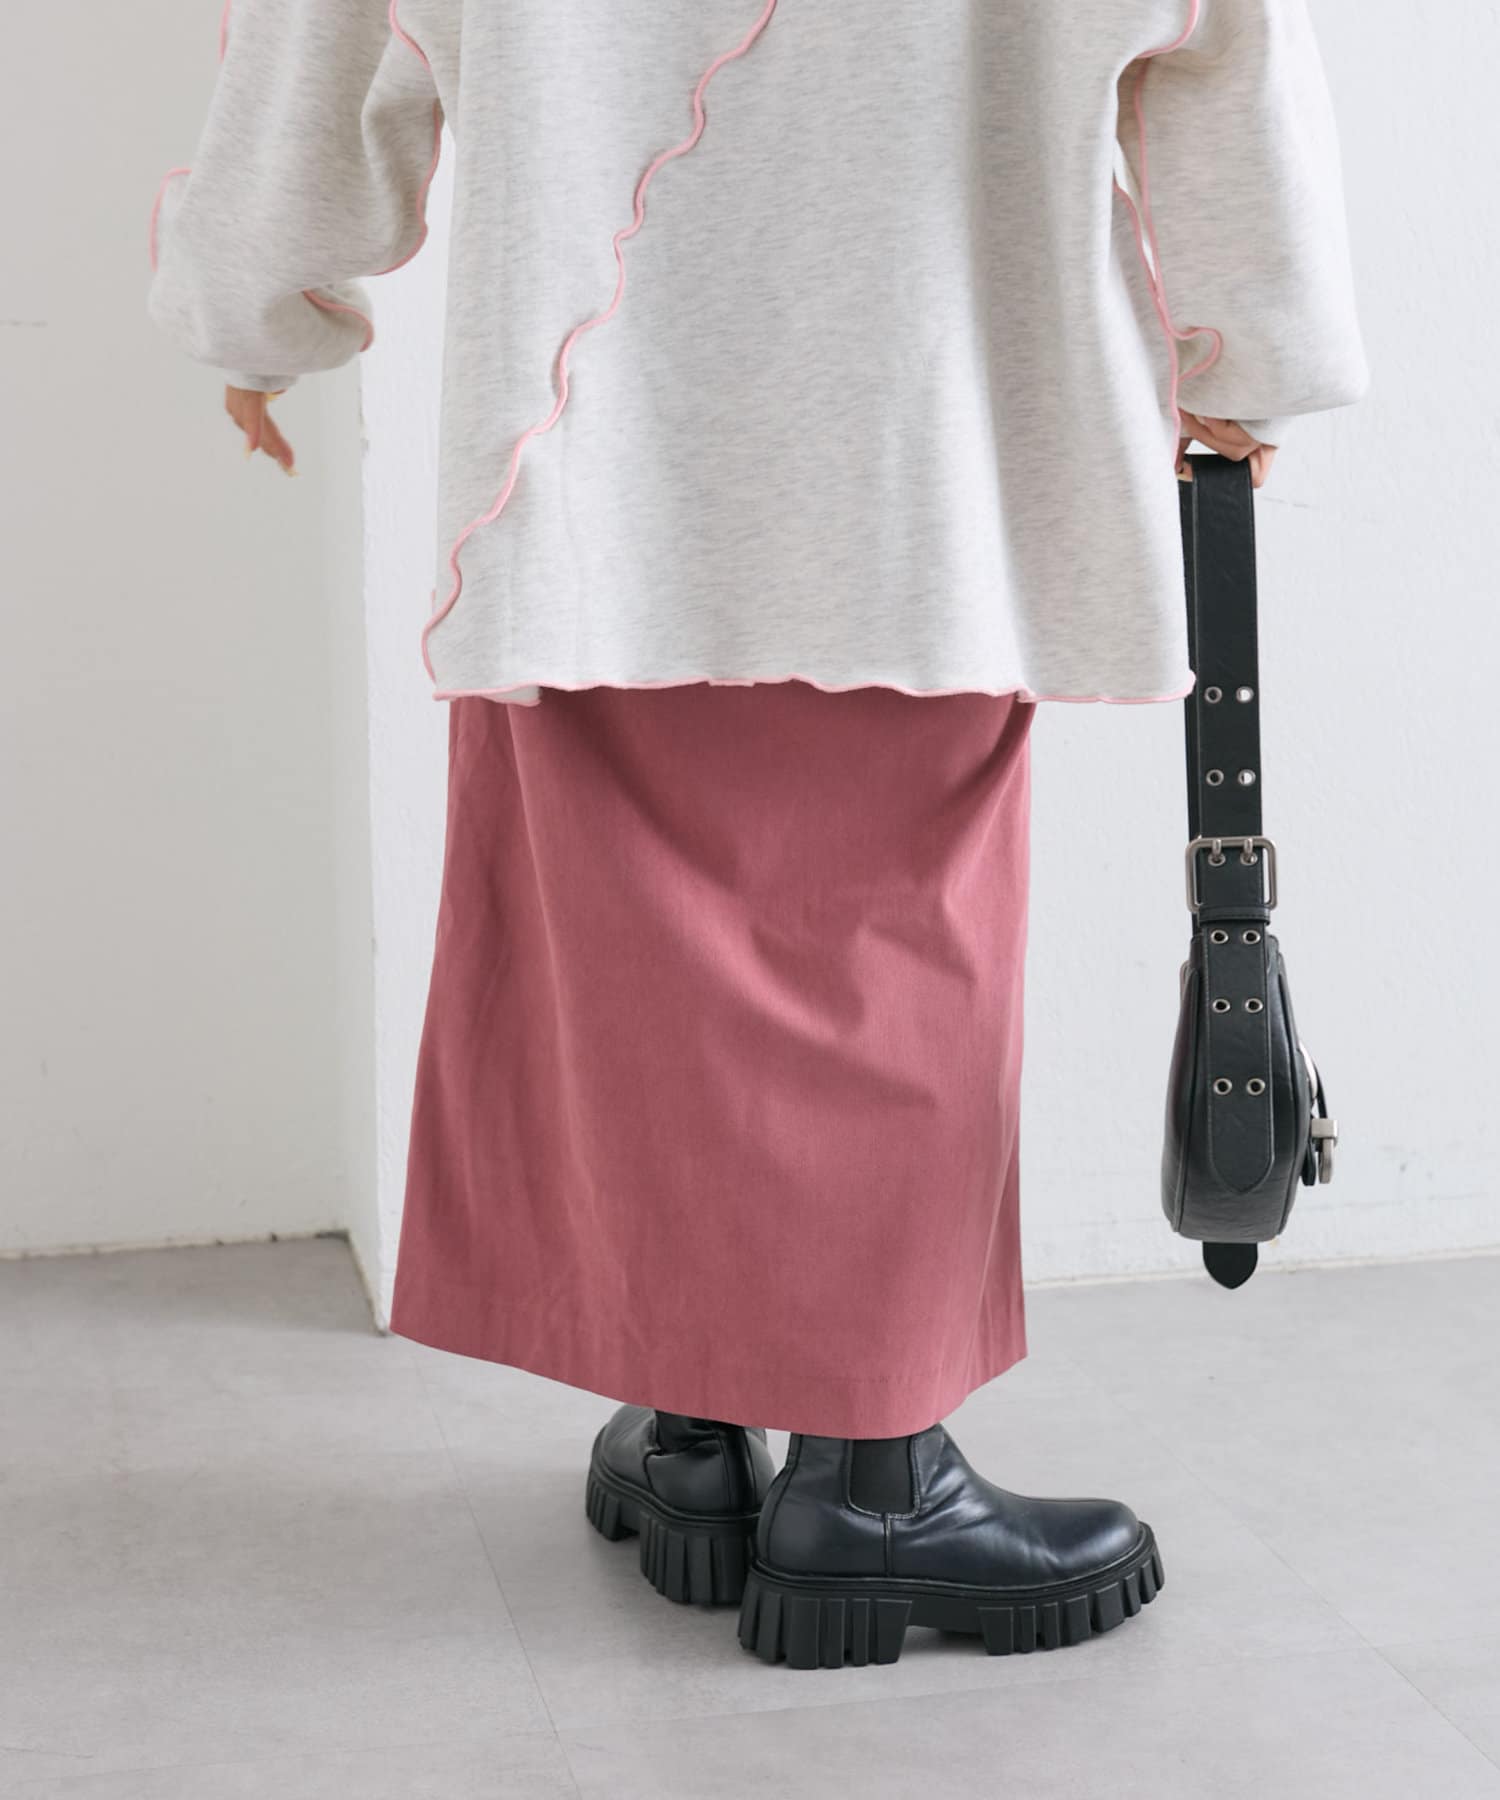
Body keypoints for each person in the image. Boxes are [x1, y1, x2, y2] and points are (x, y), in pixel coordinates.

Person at [149, 0, 1366, 1669]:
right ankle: (873, 1484)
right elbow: (1226, 47)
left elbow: (326, 35)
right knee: (888, 939)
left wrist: (255, 311)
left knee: (621, 937)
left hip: (581, 457)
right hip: (922, 434)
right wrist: (1249, 356)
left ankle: (695, 1436)